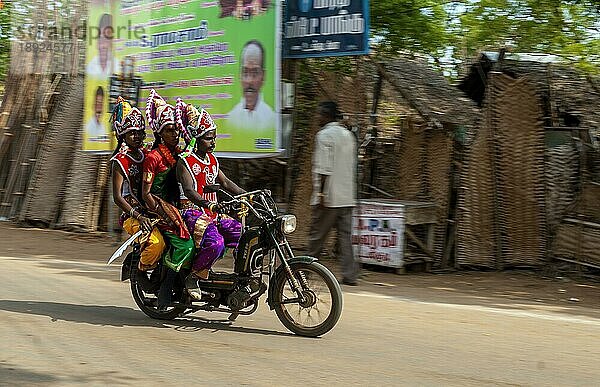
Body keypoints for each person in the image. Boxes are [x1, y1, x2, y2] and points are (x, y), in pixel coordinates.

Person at [175, 99, 245, 298]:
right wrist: (209, 204)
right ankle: (194, 276)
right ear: (196, 138)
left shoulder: (212, 160)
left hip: (213, 212)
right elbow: (189, 191)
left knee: (244, 234)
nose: (213, 142)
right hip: (192, 212)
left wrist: (249, 195)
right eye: (208, 138)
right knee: (216, 243)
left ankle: (241, 278)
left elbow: (226, 183)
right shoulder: (185, 162)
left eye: (214, 138)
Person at [143, 89, 195, 309]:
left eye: (176, 130)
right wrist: (163, 212)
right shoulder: (153, 158)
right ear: (160, 134)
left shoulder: (178, 154)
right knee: (186, 245)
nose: (175, 134)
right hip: (159, 209)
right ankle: (165, 288)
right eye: (169, 131)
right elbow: (146, 194)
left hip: (177, 207)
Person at [109, 96, 165, 271]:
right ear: (122, 135)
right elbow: (118, 197)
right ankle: (141, 269)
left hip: (153, 209)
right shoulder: (120, 161)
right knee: (157, 243)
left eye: (140, 132)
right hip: (133, 216)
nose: (137, 136)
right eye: (132, 132)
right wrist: (140, 217)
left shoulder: (147, 153)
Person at [307, 101, 359, 286]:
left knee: (317, 237)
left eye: (320, 114)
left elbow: (323, 168)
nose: (317, 118)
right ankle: (350, 275)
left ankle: (305, 271)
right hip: (347, 196)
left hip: (329, 197)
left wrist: (321, 194)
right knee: (345, 238)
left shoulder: (324, 135)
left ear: (327, 115)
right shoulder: (348, 136)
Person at [226, 40, 275, 131]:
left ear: (263, 76)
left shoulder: (272, 120)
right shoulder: (231, 119)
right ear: (239, 75)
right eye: (245, 73)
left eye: (255, 73)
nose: (249, 81)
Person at [86, 13, 120, 78]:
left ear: (112, 42)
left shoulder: (117, 66)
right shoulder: (90, 67)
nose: (103, 46)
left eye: (106, 39)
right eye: (101, 39)